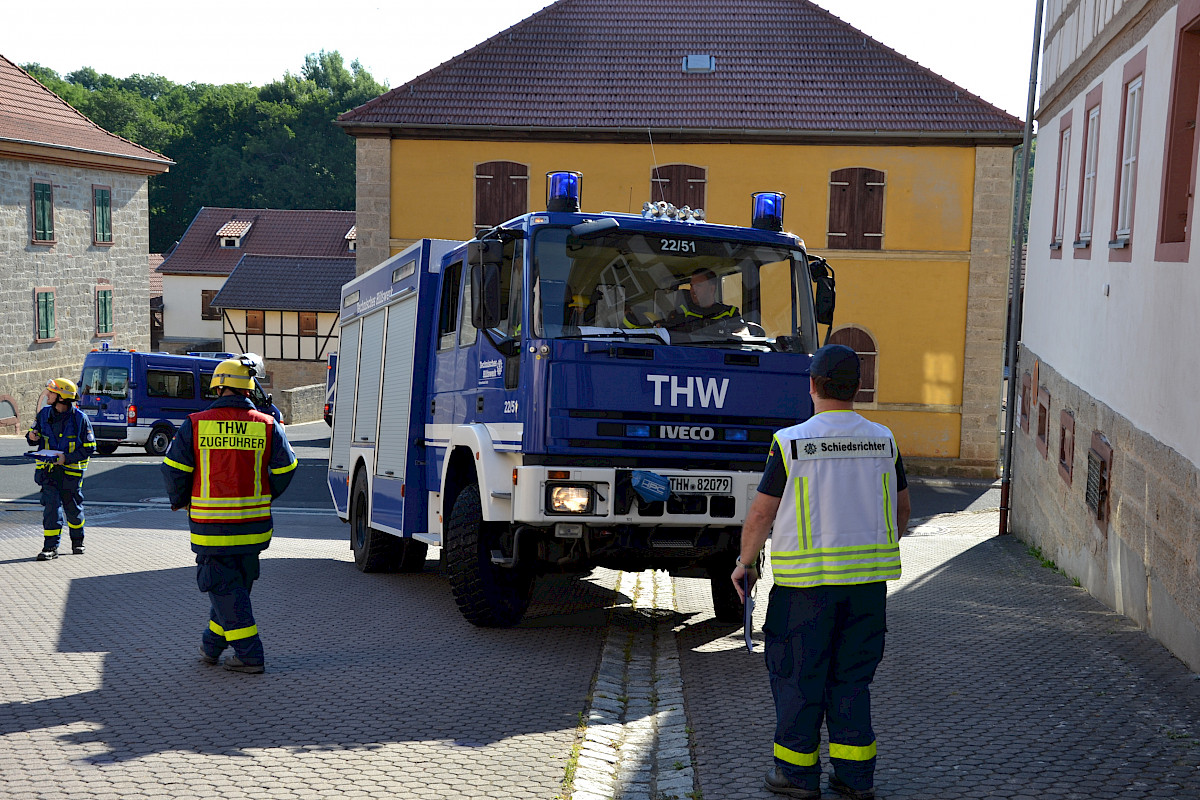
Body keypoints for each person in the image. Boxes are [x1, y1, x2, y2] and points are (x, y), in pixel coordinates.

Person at [732, 344, 910, 800]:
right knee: (852, 680)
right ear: (858, 389)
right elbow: (903, 508)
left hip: (805, 594)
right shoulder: (884, 441)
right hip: (868, 589)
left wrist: (745, 564)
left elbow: (760, 515)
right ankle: (855, 779)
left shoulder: (792, 442)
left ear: (812, 385)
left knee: (798, 678)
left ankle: (795, 775)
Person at [161, 354, 297, 674]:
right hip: (254, 528)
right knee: (235, 584)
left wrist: (180, 499)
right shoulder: (266, 424)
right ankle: (211, 646)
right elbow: (288, 467)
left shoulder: (195, 424)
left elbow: (174, 469)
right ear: (249, 389)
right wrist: (265, 494)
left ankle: (250, 654)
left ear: (218, 388)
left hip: (212, 527)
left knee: (222, 587)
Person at [26, 378, 97, 560]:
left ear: (61, 397)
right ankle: (50, 547)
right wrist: (32, 437)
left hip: (71, 474)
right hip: (48, 472)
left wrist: (66, 458)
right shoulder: (43, 414)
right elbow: (34, 434)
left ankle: (77, 541)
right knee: (51, 507)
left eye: (51, 392)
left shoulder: (81, 419)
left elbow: (89, 447)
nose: (48, 395)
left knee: (73, 510)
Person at [663, 268, 743, 333]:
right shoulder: (680, 313)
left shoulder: (730, 314)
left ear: (712, 288)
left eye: (698, 286)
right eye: (691, 286)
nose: (693, 290)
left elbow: (741, 338)